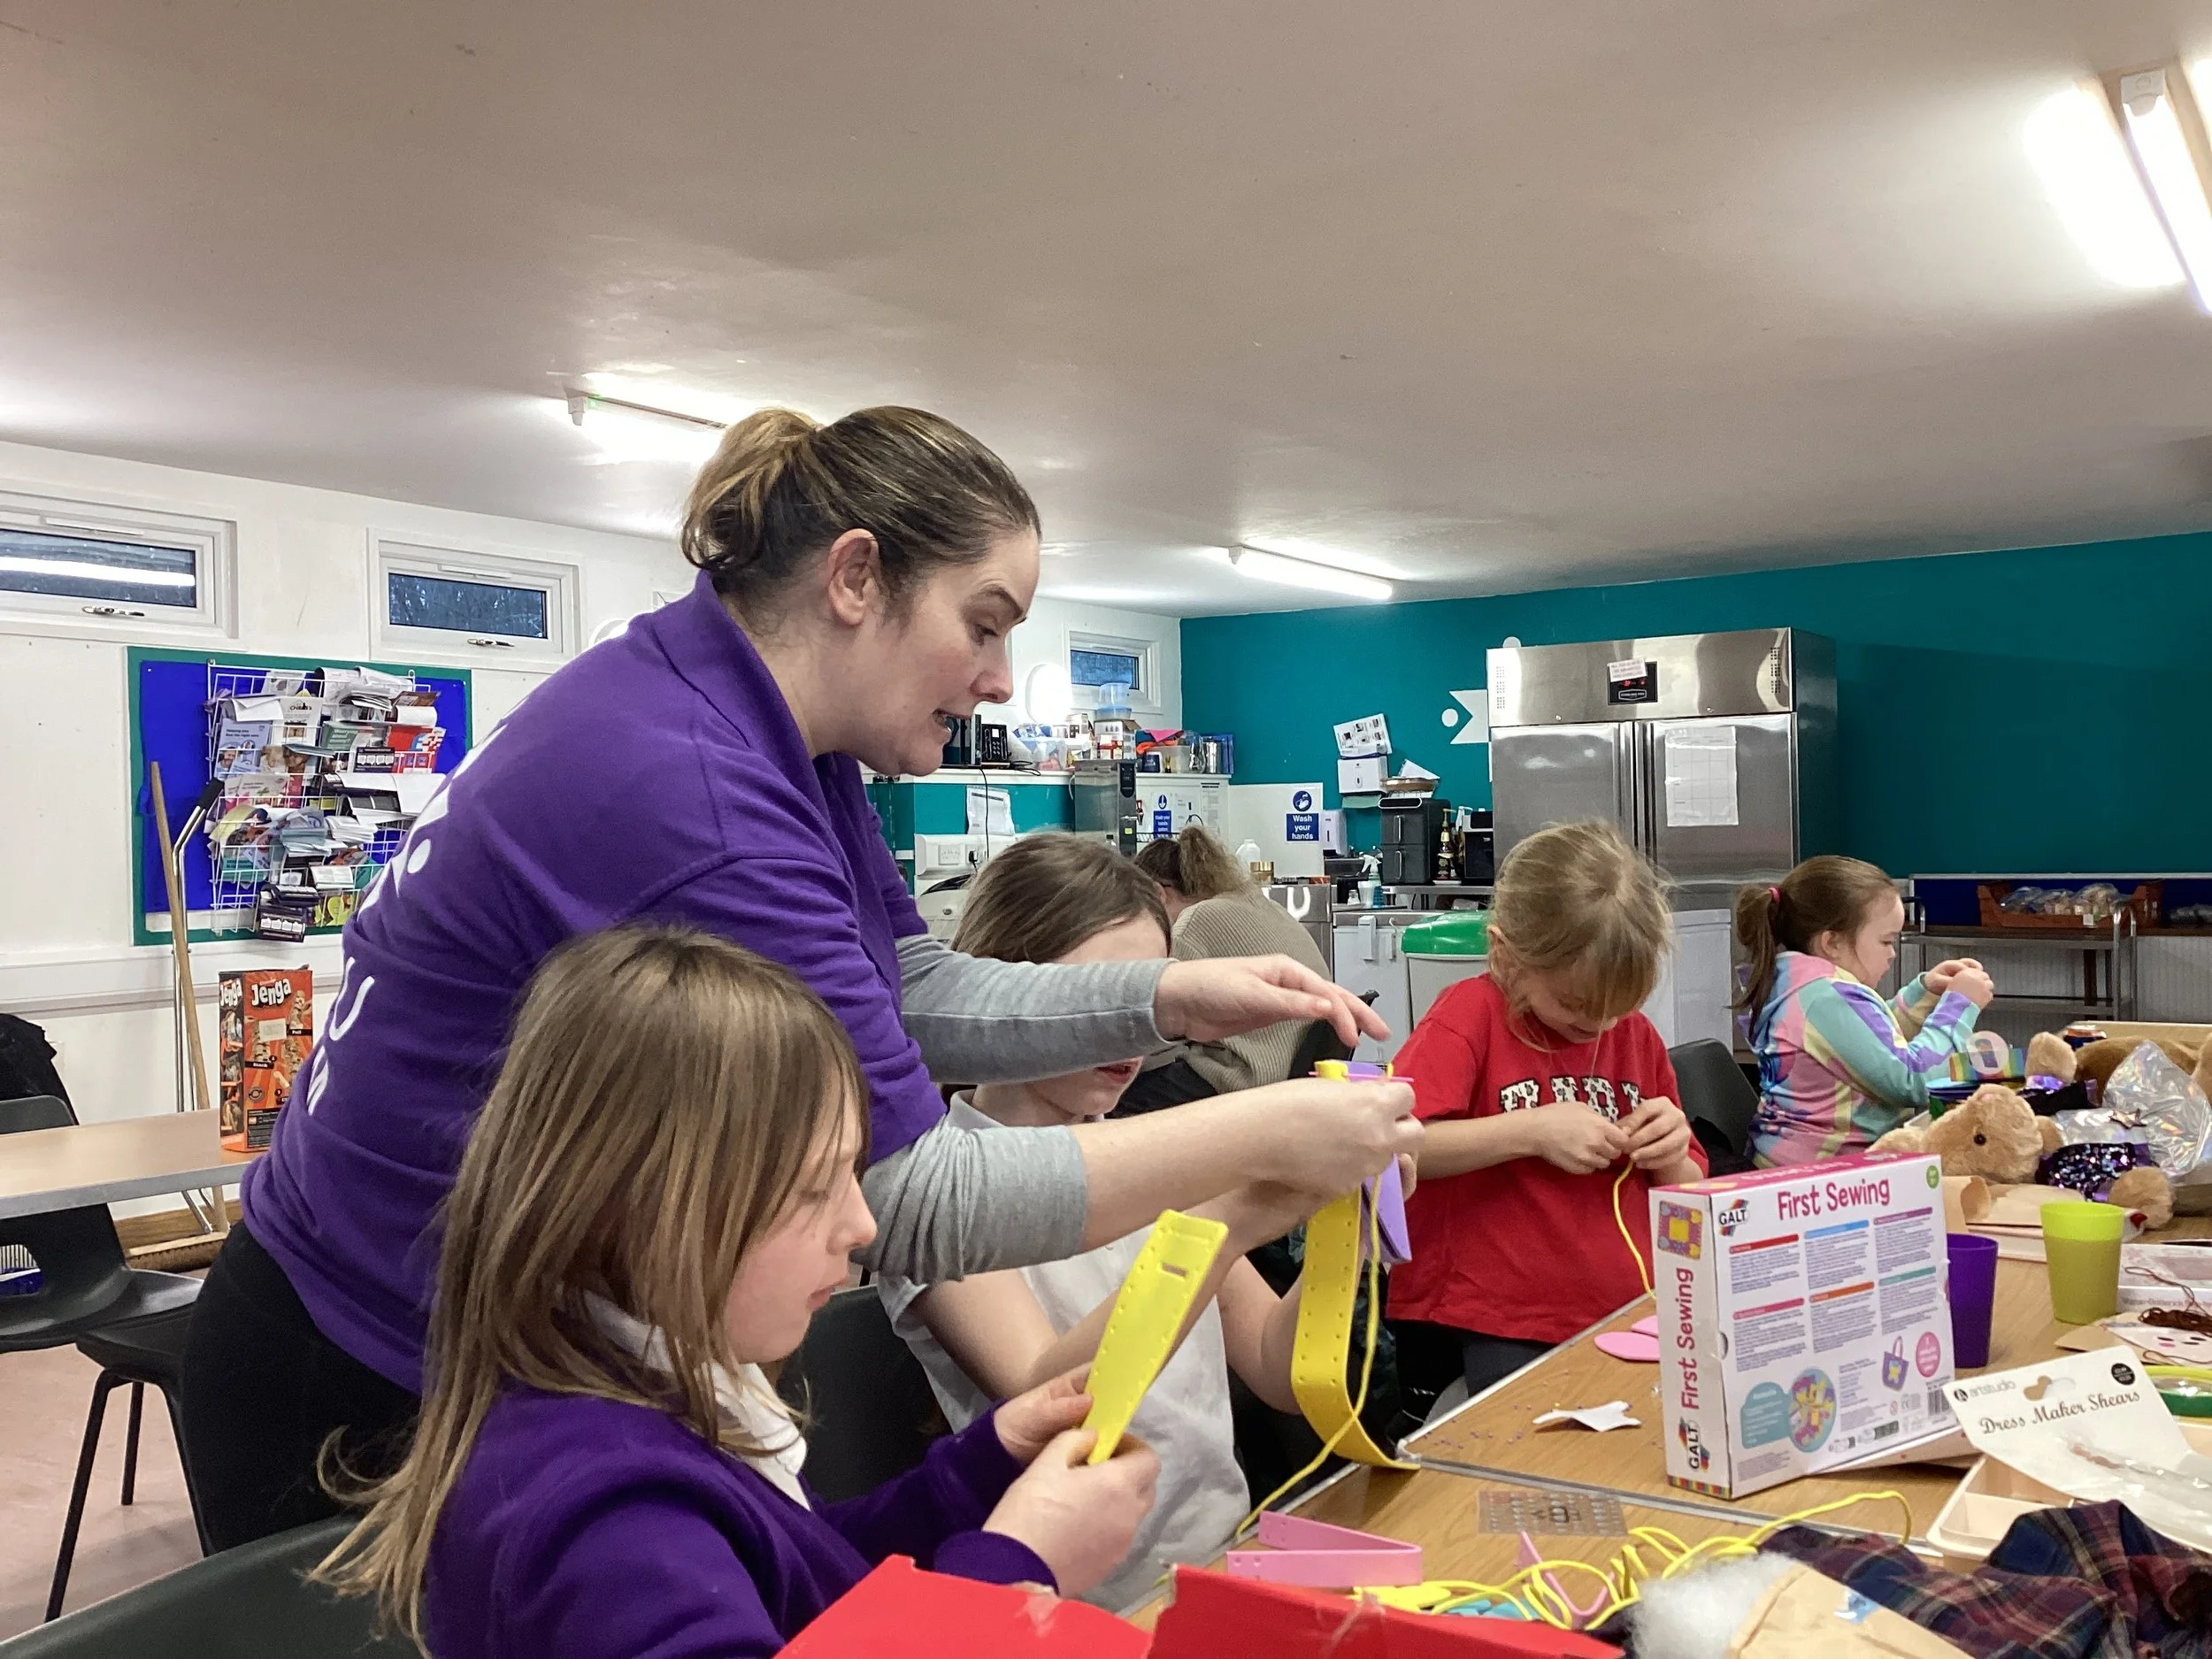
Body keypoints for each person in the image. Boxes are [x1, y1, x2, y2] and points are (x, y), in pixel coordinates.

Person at [181, 404, 1415, 1548]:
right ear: (855, 576)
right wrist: (1262, 1128)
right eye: (982, 624)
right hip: (361, 1346)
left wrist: (1161, 998)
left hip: (482, 1328)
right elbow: (916, 1195)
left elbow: (912, 989)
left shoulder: (763, 723)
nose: (996, 676)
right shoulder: (697, 789)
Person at [315, 926, 1159, 1657]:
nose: (862, 1225)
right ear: (652, 1209)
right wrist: (1015, 1564)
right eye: (812, 1188)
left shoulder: (640, 1398)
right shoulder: (610, 1522)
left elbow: (804, 1580)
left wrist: (979, 1471)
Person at [880, 835, 1317, 1611]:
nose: (1132, 1035)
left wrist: (1344, 1226)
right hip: (1074, 1606)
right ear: (1010, 999)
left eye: (1147, 1000)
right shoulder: (935, 1188)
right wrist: (1228, 1221)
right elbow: (1045, 1393)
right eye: (1100, 999)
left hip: (1220, 1572)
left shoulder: (1156, 1148)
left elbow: (1279, 1372)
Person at [1386, 820, 1705, 1402]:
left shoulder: (1635, 1037)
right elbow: (1396, 1147)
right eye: (1575, 1003)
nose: (1599, 1024)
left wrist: (1673, 1152)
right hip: (1497, 1323)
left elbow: (1688, 1189)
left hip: (1631, 1314)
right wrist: (1531, 1130)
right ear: (1507, 953)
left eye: (1618, 1007)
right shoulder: (1468, 1015)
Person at [1738, 856, 1993, 1166]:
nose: (1893, 954)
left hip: (1793, 1163)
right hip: (1814, 1177)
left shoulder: (1803, 984)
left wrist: (1924, 995)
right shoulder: (1824, 999)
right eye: (1885, 941)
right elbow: (1913, 1080)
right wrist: (1958, 1007)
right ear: (1832, 942)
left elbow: (1868, 1044)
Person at [1118, 825, 1334, 1113]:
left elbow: (1152, 1016)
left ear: (1158, 895)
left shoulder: (1196, 919)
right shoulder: (1257, 903)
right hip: (1295, 1071)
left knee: (1118, 1098)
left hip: (1248, 1077)